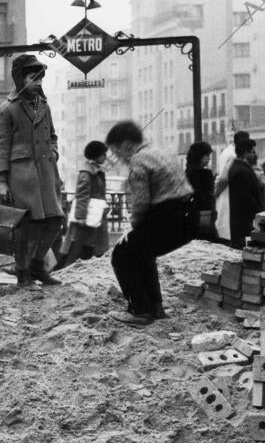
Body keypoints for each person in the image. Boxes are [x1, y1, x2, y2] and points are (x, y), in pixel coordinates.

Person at [106, 120, 196, 326]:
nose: (119, 158)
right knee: (143, 253)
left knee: (122, 254)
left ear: (126, 144)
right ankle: (156, 308)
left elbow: (140, 202)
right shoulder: (159, 150)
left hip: (167, 216)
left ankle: (139, 311)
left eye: (116, 152)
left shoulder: (138, 160)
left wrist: (132, 227)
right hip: (188, 215)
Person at [0, 53, 64, 288]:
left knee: (54, 221)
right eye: (34, 78)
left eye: (41, 79)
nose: (38, 83)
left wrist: (53, 152)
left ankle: (37, 265)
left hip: (45, 174)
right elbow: (0, 148)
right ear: (20, 79)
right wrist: (1, 181)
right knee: (25, 228)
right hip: (21, 178)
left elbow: (52, 135)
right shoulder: (6, 110)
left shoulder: (44, 106)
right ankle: (23, 273)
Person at [59, 140, 109, 267]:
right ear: (97, 155)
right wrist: (81, 216)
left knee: (89, 246)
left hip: (94, 216)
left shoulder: (95, 170)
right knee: (78, 246)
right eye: (104, 154)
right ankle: (66, 269)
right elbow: (82, 195)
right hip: (86, 217)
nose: (106, 157)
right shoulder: (87, 173)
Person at [228, 138, 265, 249]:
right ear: (245, 152)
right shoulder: (241, 170)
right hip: (245, 222)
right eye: (252, 152)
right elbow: (247, 198)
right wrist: (259, 210)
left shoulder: (239, 167)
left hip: (243, 221)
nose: (255, 155)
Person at [214, 130, 250, 244]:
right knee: (230, 231)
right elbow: (225, 178)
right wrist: (216, 192)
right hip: (229, 196)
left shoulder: (228, 152)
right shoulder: (232, 154)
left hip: (228, 196)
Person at [185, 141, 217, 241]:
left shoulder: (187, 172)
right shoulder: (205, 174)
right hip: (205, 216)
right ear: (199, 156)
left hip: (191, 216)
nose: (209, 158)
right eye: (207, 155)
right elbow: (207, 196)